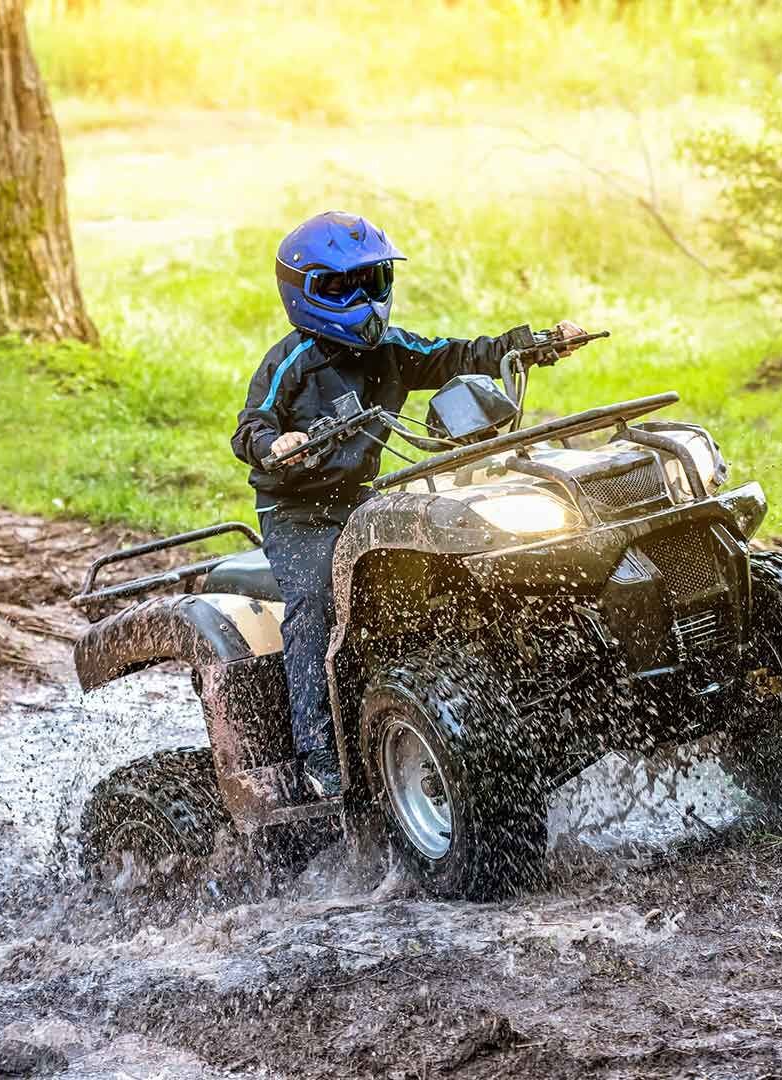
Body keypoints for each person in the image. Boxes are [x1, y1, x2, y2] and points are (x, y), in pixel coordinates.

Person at [232, 210, 586, 799]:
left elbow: (461, 354)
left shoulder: (392, 349)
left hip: (361, 501)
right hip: (299, 515)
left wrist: (535, 344)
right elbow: (250, 427)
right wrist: (276, 445)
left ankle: (483, 698)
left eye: (372, 281)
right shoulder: (289, 363)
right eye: (342, 287)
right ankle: (318, 754)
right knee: (317, 599)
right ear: (303, 292)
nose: (363, 299)